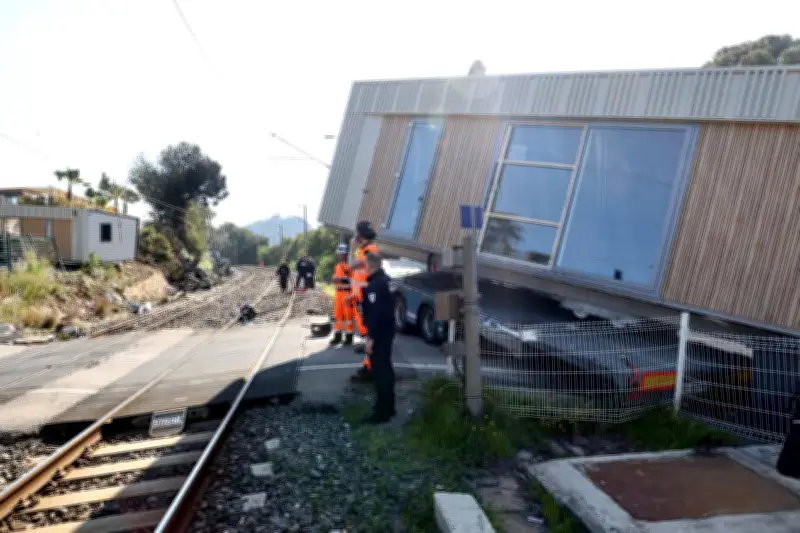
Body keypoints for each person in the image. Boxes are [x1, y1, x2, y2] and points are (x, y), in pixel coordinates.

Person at [360, 252, 396, 423]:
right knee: (386, 368)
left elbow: (376, 313)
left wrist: (371, 338)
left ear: (370, 265)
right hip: (388, 331)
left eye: (366, 265)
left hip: (379, 334)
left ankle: (383, 412)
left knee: (380, 371)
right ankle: (389, 405)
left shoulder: (375, 285)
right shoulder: (387, 281)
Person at [349, 220, 379, 382]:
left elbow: (351, 265)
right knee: (367, 335)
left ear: (360, 237)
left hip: (367, 299)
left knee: (370, 335)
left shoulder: (369, 252)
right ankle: (369, 366)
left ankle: (370, 369)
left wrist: (351, 249)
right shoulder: (366, 251)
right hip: (362, 298)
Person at [329, 244, 354, 346]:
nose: (340, 255)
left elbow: (353, 280)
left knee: (348, 316)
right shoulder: (337, 266)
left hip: (347, 292)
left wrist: (341, 280)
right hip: (338, 293)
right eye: (339, 254)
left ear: (346, 254)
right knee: (338, 316)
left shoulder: (351, 266)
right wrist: (334, 280)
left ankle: (349, 338)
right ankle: (337, 337)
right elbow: (335, 278)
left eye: (342, 254)